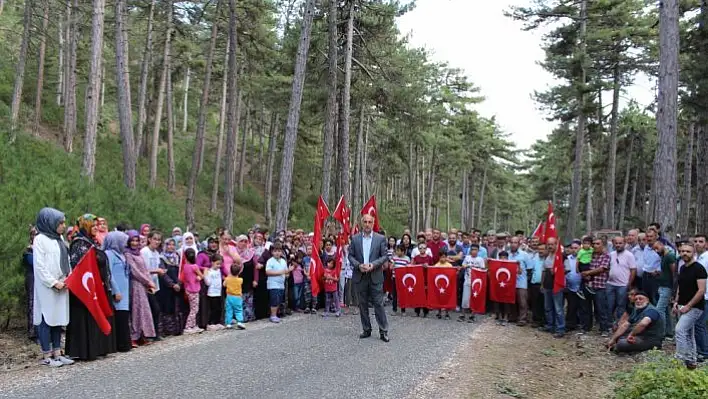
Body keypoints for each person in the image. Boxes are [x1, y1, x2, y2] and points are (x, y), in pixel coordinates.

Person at [66, 214, 117, 360]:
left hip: (97, 287)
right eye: (93, 226)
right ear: (85, 226)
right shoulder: (79, 243)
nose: (96, 228)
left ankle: (97, 348)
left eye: (97, 225)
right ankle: (83, 351)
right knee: (84, 319)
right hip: (84, 290)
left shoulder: (91, 242)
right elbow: (79, 268)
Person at [32, 208, 74, 367]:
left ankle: (57, 352)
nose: (63, 225)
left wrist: (67, 279)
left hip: (62, 284)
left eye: (63, 222)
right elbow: (40, 266)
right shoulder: (40, 239)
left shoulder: (59, 238)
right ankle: (46, 355)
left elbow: (66, 261)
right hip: (47, 287)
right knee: (46, 319)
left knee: (58, 319)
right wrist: (53, 282)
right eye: (60, 223)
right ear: (50, 223)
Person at [348, 214, 390, 342]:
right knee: (362, 304)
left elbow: (384, 256)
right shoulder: (355, 239)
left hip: (375, 275)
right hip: (360, 275)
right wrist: (358, 265)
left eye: (370, 222)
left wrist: (373, 265)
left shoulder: (380, 238)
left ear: (373, 223)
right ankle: (366, 329)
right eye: (365, 222)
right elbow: (350, 256)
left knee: (378, 304)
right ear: (362, 223)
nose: (367, 224)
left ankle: (383, 331)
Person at [673, 244, 707, 369]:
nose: (684, 253)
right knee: (688, 333)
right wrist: (676, 302)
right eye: (682, 251)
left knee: (679, 330)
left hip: (695, 306)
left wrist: (689, 305)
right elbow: (680, 287)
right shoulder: (682, 268)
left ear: (693, 252)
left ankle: (680, 359)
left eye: (687, 251)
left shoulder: (699, 268)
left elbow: (701, 290)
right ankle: (691, 360)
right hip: (681, 304)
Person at [124, 230, 157, 346]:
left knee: (144, 310)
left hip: (142, 285)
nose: (134, 243)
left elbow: (144, 269)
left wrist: (150, 282)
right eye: (132, 240)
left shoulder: (139, 253)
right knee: (136, 309)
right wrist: (147, 281)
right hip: (135, 284)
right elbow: (134, 271)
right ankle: (134, 335)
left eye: (136, 240)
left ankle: (143, 334)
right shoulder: (128, 254)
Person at [103, 231, 132, 352]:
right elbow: (109, 274)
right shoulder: (109, 254)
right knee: (119, 317)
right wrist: (116, 290)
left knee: (124, 317)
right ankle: (120, 344)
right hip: (118, 291)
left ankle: (125, 343)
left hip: (125, 291)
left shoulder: (121, 254)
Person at [265, 243, 293, 323]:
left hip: (281, 284)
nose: (277, 253)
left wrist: (288, 272)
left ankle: (275, 314)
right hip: (273, 284)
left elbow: (286, 271)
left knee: (278, 300)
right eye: (275, 251)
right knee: (274, 300)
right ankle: (273, 315)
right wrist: (281, 272)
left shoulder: (283, 261)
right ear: (272, 252)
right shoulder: (270, 261)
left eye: (279, 251)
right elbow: (268, 272)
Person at [182, 248, 205, 334]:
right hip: (194, 290)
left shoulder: (185, 266)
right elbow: (201, 276)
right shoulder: (194, 266)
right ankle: (188, 327)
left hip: (188, 289)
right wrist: (200, 277)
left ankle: (193, 325)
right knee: (194, 309)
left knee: (193, 308)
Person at [460, 244, 484, 323]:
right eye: (472, 249)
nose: (473, 251)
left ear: (478, 251)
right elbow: (463, 265)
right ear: (470, 250)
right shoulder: (467, 257)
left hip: (476, 282)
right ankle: (462, 315)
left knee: (474, 298)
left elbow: (482, 270)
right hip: (467, 280)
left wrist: (476, 268)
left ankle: (472, 316)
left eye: (475, 250)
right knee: (465, 299)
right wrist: (465, 265)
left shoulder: (480, 259)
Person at [24, 225, 38, 341]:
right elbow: (32, 263)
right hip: (32, 276)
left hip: (41, 278)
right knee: (32, 302)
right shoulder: (28, 249)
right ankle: (32, 331)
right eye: (33, 234)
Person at [204, 254, 225, 330]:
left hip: (218, 292)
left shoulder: (219, 271)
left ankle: (217, 322)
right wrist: (205, 274)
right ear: (212, 262)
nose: (219, 266)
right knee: (213, 309)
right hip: (212, 293)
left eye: (220, 264)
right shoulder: (210, 272)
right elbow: (208, 283)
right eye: (217, 264)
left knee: (219, 308)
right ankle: (210, 323)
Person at [224, 264, 246, 329]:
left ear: (230, 271)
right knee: (238, 310)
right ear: (239, 272)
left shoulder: (227, 279)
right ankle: (239, 322)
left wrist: (228, 277)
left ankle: (228, 323)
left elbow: (224, 284)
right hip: (237, 297)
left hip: (229, 296)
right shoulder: (240, 280)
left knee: (229, 310)